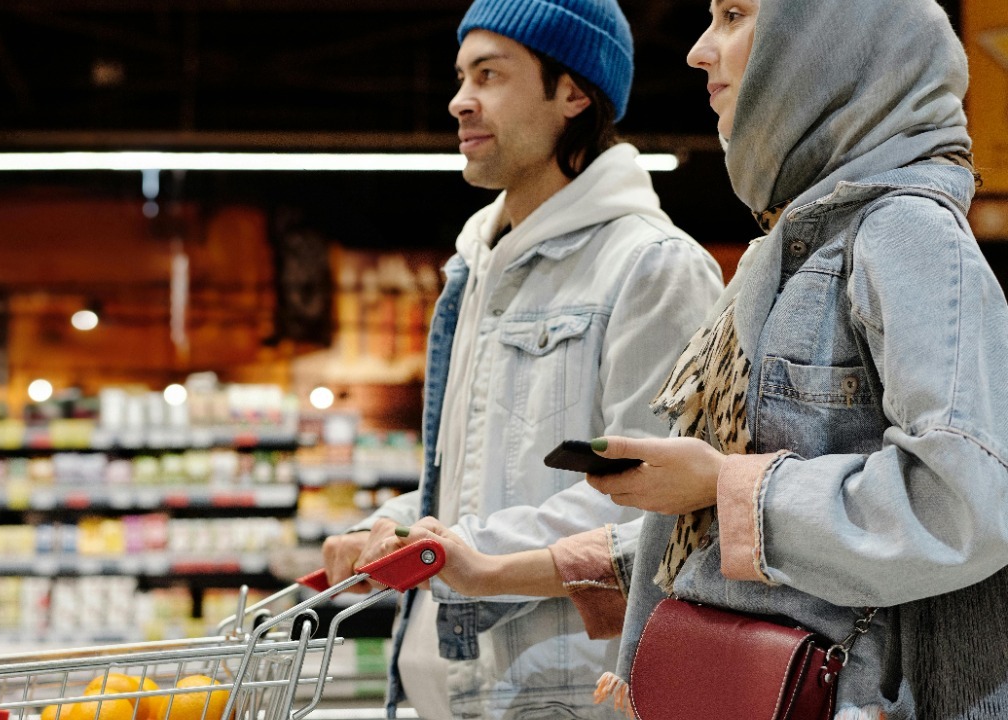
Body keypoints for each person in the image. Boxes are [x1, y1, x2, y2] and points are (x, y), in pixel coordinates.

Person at [403, 0, 1008, 717]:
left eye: (732, 15)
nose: (698, 49)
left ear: (826, 40)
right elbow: (708, 525)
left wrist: (724, 485)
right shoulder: (782, 251)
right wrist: (498, 570)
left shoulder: (903, 231)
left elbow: (967, 504)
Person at [320, 0, 723, 717]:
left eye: (490, 74)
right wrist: (390, 526)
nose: (459, 100)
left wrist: (449, 547)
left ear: (572, 92)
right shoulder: (476, 266)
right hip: (449, 688)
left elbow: (653, 514)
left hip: (564, 692)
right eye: (460, 75)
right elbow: (474, 489)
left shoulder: (652, 268)